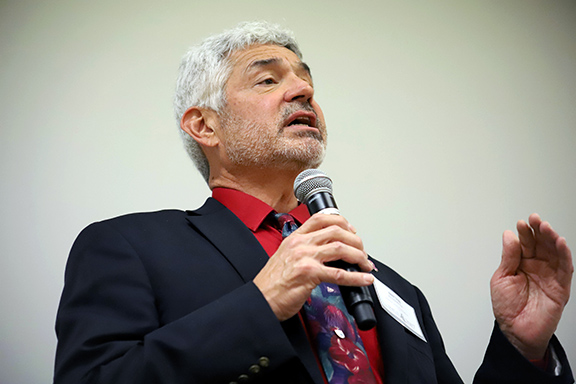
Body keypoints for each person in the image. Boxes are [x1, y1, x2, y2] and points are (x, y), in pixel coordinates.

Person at [54, 21, 574, 384]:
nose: (302, 90)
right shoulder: (128, 246)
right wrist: (261, 306)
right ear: (204, 125)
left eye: (306, 79)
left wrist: (522, 349)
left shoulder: (391, 289)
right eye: (268, 79)